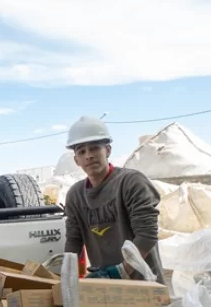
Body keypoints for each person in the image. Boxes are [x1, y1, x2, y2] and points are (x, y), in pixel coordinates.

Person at [63, 116, 166, 284]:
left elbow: (147, 236)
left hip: (145, 285)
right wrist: (67, 276)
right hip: (106, 287)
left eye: (95, 148)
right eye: (82, 151)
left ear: (108, 150)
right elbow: (73, 242)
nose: (88, 156)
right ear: (76, 160)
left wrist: (119, 272)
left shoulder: (131, 182)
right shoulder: (75, 195)